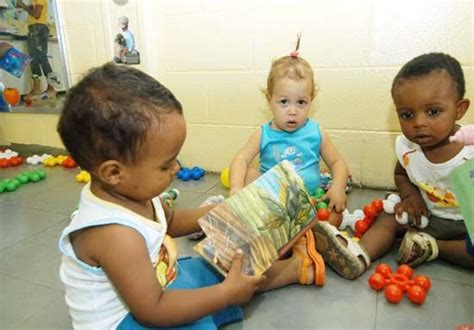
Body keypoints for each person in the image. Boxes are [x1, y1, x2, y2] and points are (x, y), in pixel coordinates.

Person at [57, 63, 326, 329]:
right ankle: (246, 289)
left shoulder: (129, 192)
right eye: (166, 164)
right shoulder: (114, 234)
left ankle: (293, 269)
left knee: (221, 268)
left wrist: (231, 211)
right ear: (114, 172)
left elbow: (169, 221)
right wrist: (225, 296)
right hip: (128, 319)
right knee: (215, 297)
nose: (176, 168)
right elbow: (153, 310)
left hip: (156, 283)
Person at [312, 52, 474, 280]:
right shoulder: (409, 147)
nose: (418, 123)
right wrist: (410, 196)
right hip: (425, 216)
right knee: (388, 216)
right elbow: (401, 172)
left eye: (433, 112)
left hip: (466, 226)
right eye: (407, 115)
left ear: (459, 109)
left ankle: (433, 247)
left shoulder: (470, 151)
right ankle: (358, 255)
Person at [229, 35, 349, 228]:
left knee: (336, 214)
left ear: (311, 99)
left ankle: (307, 234)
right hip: (272, 203)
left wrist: (337, 187)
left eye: (301, 102)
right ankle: (293, 234)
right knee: (249, 173)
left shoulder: (316, 132)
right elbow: (240, 159)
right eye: (284, 102)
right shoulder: (262, 134)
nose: (293, 111)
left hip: (311, 202)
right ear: (270, 100)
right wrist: (236, 187)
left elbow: (338, 163)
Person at [16, 0, 60, 100]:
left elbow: (36, 15)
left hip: (38, 28)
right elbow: (34, 11)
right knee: (34, 60)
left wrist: (23, 6)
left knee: (41, 59)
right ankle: (39, 88)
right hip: (34, 28)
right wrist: (26, 6)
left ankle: (50, 88)